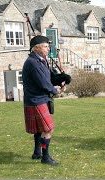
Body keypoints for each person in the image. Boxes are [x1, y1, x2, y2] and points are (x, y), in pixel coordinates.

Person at [22, 35, 65, 165]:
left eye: (48, 47)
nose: (48, 49)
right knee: (48, 129)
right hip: (36, 100)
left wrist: (61, 78)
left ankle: (37, 153)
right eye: (45, 47)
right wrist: (56, 91)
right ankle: (45, 158)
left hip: (37, 99)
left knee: (39, 129)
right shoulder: (33, 63)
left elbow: (49, 77)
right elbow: (44, 83)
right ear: (36, 48)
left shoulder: (41, 60)